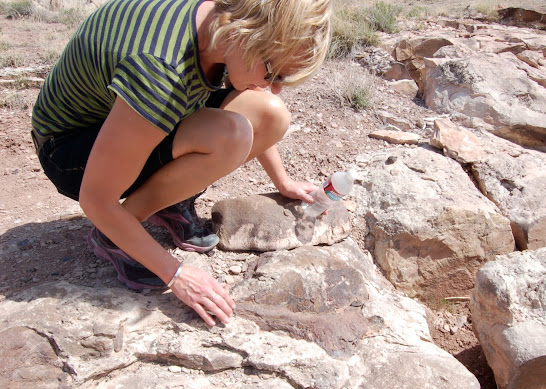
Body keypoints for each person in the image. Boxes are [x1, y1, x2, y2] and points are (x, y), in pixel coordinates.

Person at [31, 0, 332, 326]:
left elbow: (261, 107)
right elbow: (96, 199)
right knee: (230, 134)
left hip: (126, 118)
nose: (273, 87)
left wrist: (283, 182)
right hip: (68, 150)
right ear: (245, 33)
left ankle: (167, 201)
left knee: (271, 114)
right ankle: (115, 237)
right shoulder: (160, 70)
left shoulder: (216, 24)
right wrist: (176, 275)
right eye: (273, 72)